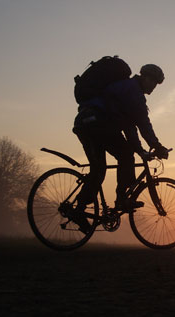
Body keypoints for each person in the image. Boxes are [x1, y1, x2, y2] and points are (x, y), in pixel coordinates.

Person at [72, 64, 169, 232]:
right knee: (121, 157)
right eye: (153, 82)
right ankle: (118, 200)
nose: (154, 87)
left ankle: (85, 209)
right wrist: (156, 146)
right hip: (94, 124)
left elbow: (130, 128)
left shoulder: (128, 89)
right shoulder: (133, 92)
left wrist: (140, 150)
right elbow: (142, 123)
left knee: (105, 165)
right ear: (145, 77)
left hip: (93, 124)